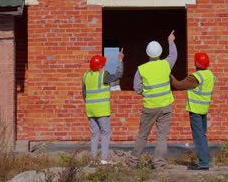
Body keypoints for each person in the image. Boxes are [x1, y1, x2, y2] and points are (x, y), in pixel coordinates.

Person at [129, 30, 177, 169]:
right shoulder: (166, 64)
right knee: (161, 137)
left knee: (142, 135)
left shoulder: (142, 69)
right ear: (160, 53)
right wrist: (171, 41)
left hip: (150, 107)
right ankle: (159, 164)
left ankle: (133, 162)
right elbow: (174, 55)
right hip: (165, 106)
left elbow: (137, 88)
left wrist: (147, 92)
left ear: (147, 53)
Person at [170, 52, 215, 171]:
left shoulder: (195, 77)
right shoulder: (210, 75)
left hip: (195, 110)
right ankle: (205, 160)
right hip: (204, 109)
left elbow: (178, 85)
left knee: (198, 136)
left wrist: (170, 76)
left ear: (196, 63)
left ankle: (204, 163)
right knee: (202, 135)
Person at [82, 48, 124, 165]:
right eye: (103, 65)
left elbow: (84, 94)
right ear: (100, 67)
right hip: (102, 110)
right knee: (105, 133)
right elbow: (118, 75)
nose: (105, 66)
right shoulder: (103, 75)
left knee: (94, 134)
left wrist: (90, 104)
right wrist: (120, 60)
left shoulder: (86, 76)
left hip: (90, 110)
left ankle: (93, 159)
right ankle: (104, 160)